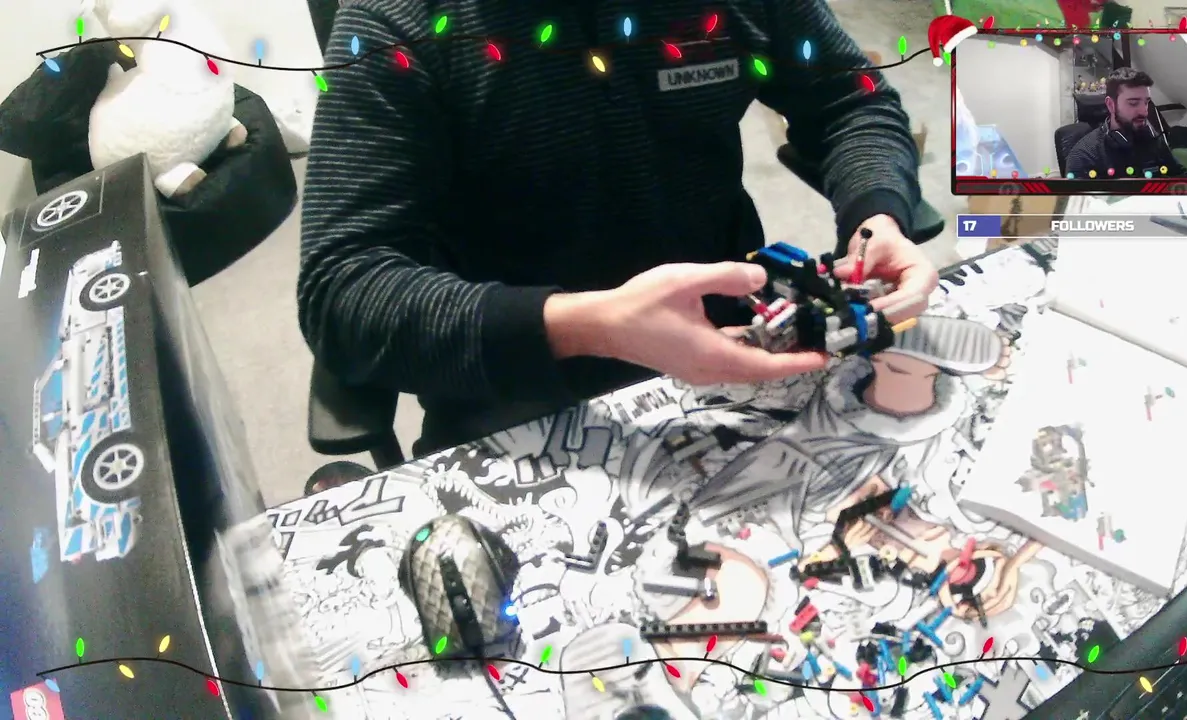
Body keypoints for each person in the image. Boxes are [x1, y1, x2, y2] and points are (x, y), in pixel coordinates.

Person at [298, 0, 939, 455]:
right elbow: (342, 291)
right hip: (525, 389)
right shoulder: (397, 23)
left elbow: (850, 99)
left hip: (744, 347)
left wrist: (876, 215)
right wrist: (592, 325)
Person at [1065, 67, 1187, 179]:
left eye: (1146, 102)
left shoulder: (1151, 138)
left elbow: (1181, 177)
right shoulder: (1084, 155)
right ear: (1111, 105)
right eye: (1133, 103)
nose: (1144, 112)